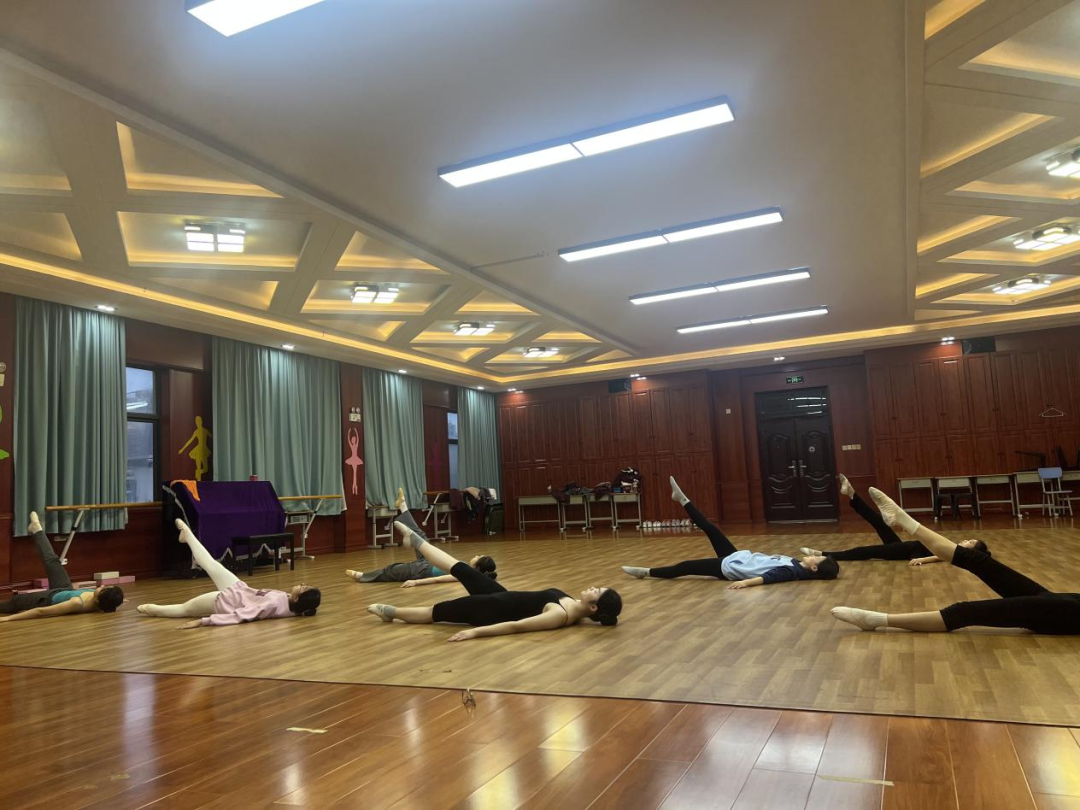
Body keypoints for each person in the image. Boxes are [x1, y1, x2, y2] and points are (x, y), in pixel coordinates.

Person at [832, 488, 1080, 635]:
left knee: (964, 611)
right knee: (978, 561)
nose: (967, 540)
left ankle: (876, 620)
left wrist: (924, 559)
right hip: (1071, 602)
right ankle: (902, 518)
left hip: (1071, 615)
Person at [367, 520, 621, 641]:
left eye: (596, 591)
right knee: (461, 568)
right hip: (500, 594)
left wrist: (475, 632)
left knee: (437, 611)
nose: (592, 587)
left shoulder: (559, 615)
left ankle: (392, 613)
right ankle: (416, 540)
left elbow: (516, 626)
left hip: (489, 610)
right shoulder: (573, 606)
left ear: (593, 606)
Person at [620, 477, 840, 589]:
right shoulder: (795, 563)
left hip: (729, 568)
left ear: (814, 568)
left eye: (817, 559)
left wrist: (745, 583)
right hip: (738, 557)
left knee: (685, 567)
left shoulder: (791, 572)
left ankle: (646, 572)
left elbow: (768, 578)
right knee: (711, 528)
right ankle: (682, 499)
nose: (815, 555)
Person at [137, 519, 320, 628]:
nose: (302, 584)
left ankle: (153, 610)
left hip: (226, 601)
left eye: (304, 587)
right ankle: (188, 535)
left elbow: (243, 615)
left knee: (185, 609)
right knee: (211, 565)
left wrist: (204, 621)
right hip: (239, 589)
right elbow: (297, 609)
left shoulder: (274, 604)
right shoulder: (288, 604)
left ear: (297, 598)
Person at [799, 474, 988, 566]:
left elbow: (940, 557)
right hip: (907, 547)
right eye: (970, 539)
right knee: (878, 522)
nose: (966, 540)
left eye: (971, 542)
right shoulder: (955, 548)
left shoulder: (957, 553)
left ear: (971, 551)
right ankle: (852, 494)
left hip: (909, 551)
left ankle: (823, 554)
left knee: (867, 551)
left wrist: (922, 560)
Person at [346, 488, 496, 587]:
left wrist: (416, 583)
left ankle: (363, 576)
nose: (476, 555)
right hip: (429, 561)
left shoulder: (467, 574)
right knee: (420, 535)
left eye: (479, 557)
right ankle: (402, 505)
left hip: (422, 570)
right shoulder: (467, 568)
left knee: (393, 570)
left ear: (478, 566)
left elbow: (440, 579)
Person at [0, 511, 124, 622]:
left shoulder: (76, 603)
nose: (101, 586)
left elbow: (40, 612)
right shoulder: (103, 602)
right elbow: (110, 603)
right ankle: (36, 529)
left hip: (47, 599)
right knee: (53, 561)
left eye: (103, 589)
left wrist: (7, 618)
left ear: (98, 600)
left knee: (15, 602)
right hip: (65, 589)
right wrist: (117, 600)